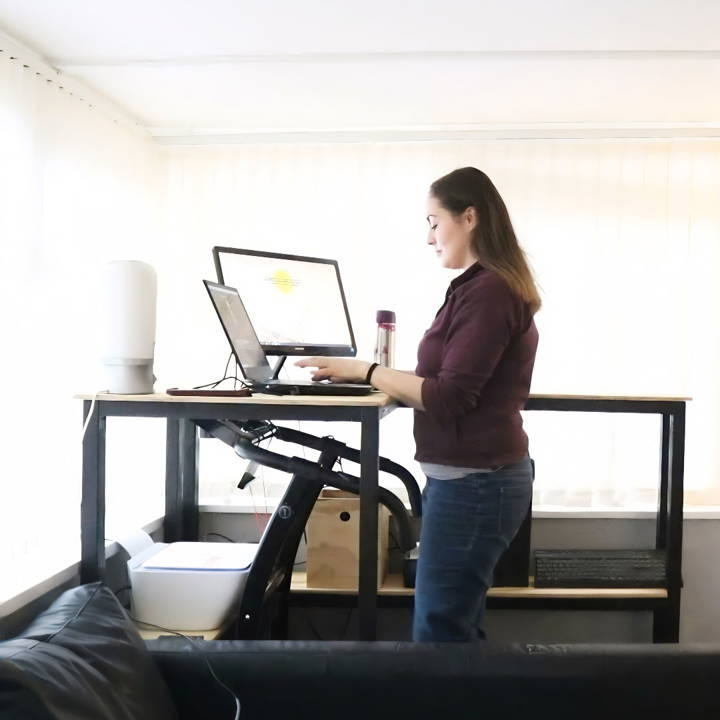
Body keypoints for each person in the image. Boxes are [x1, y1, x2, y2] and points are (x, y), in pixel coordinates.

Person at [296, 166, 541, 642]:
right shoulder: (477, 287)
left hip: (476, 486)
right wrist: (361, 372)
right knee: (454, 624)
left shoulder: (490, 291)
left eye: (433, 221)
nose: (429, 237)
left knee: (440, 630)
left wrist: (365, 371)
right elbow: (442, 380)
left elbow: (448, 396)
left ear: (469, 217)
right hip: (471, 482)